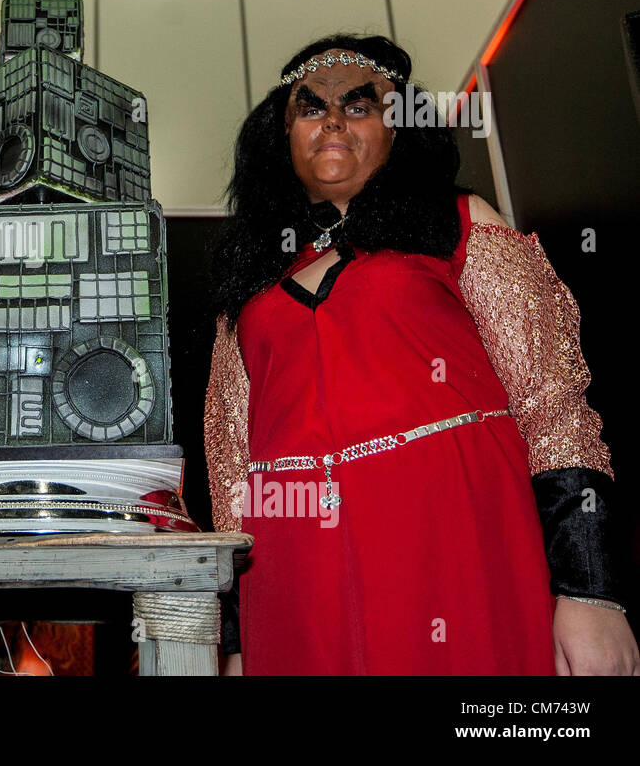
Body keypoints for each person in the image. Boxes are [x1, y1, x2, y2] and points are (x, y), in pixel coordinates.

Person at [202, 33, 638, 675]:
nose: (332, 120)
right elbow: (231, 472)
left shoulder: (461, 224)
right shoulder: (246, 293)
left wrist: (590, 591)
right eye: (310, 106)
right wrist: (235, 641)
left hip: (457, 556)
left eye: (360, 104)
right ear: (281, 135)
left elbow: (553, 409)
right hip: (293, 585)